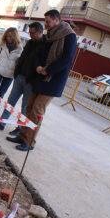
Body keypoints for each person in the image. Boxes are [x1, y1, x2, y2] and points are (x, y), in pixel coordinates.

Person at [6, 9, 77, 151]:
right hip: (38, 78)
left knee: (37, 110)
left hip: (52, 81)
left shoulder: (69, 36)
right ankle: (22, 134)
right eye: (45, 21)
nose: (46, 24)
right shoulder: (49, 35)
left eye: (48, 21)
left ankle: (29, 142)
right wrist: (38, 66)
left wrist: (48, 70)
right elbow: (39, 53)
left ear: (57, 20)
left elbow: (66, 59)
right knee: (29, 107)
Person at [0, 22, 45, 133]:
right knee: (10, 102)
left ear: (40, 32)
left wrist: (33, 78)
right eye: (29, 32)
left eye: (33, 33)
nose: (30, 35)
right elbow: (22, 57)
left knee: (25, 106)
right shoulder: (30, 42)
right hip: (20, 77)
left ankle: (19, 128)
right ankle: (1, 123)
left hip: (30, 81)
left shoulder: (45, 45)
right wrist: (17, 72)